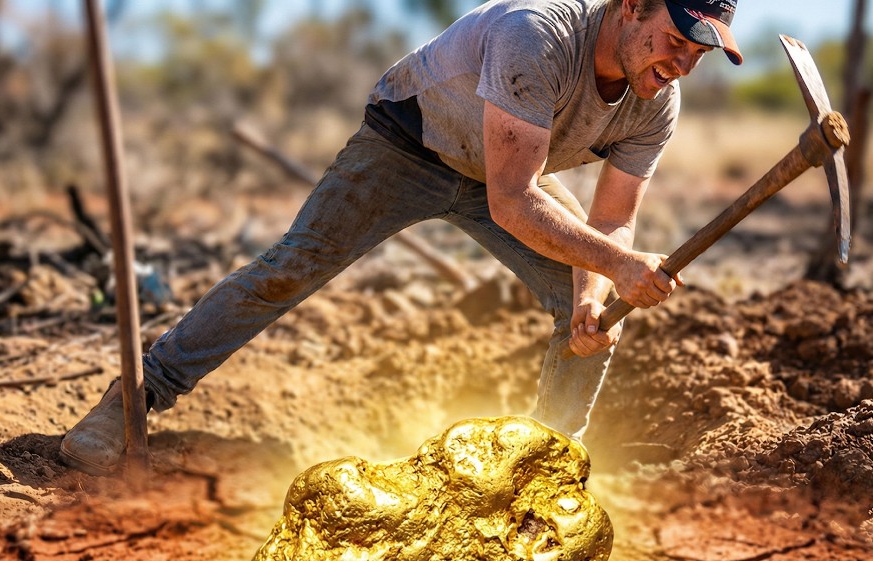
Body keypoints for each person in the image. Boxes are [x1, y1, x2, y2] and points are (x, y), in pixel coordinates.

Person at [60, 0, 743, 475]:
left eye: (698, 53)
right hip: (410, 143)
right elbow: (515, 204)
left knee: (587, 308)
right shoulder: (539, 37)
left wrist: (597, 294)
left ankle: (545, 474)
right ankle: (137, 398)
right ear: (630, 7)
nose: (680, 63)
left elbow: (610, 221)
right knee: (291, 267)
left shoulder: (659, 103)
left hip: (506, 175)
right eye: (674, 40)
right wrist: (619, 264)